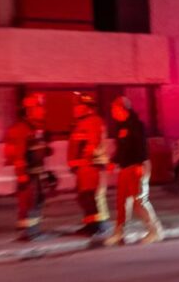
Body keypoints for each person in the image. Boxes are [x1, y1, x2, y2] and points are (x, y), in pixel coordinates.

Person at [105, 96, 165, 246]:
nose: (112, 112)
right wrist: (114, 162)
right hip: (125, 168)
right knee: (122, 202)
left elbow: (142, 146)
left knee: (140, 201)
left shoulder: (136, 125)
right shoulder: (120, 127)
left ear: (122, 109)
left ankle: (155, 231)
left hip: (138, 166)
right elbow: (121, 149)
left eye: (114, 109)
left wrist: (140, 164)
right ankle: (119, 232)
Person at [4, 93, 52, 241]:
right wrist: (21, 174)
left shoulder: (35, 128)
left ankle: (34, 231)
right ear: (30, 110)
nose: (43, 111)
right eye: (40, 107)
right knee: (30, 202)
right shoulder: (22, 129)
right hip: (29, 174)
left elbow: (38, 149)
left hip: (36, 174)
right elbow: (18, 155)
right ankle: (30, 233)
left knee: (37, 201)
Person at [67, 93, 110, 236]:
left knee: (89, 196)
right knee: (84, 197)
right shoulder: (81, 123)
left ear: (87, 107)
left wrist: (83, 160)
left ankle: (97, 226)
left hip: (91, 166)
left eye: (78, 106)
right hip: (83, 167)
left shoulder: (93, 121)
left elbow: (93, 144)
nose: (75, 109)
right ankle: (91, 224)